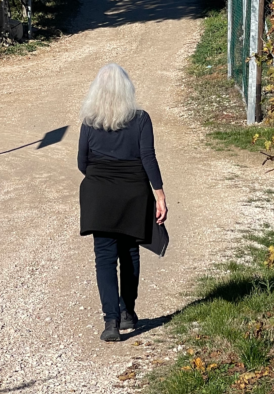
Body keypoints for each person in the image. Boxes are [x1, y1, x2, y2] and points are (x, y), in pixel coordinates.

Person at [77, 63, 167, 342]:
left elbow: (82, 162)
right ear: (128, 89)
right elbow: (148, 158)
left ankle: (111, 321)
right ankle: (128, 312)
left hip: (99, 197)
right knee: (130, 254)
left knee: (104, 258)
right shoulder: (141, 119)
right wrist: (160, 195)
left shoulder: (90, 122)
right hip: (133, 196)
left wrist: (102, 179)